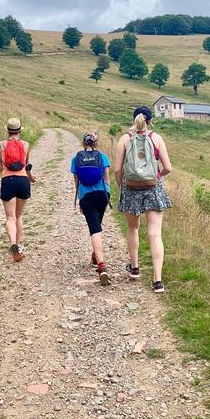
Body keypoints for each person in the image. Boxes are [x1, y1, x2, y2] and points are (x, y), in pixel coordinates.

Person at [113, 106, 172, 292]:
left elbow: (117, 169)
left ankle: (135, 268)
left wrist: (120, 185)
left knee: (133, 228)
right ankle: (157, 281)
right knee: (155, 234)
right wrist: (157, 176)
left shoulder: (124, 139)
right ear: (150, 120)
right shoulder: (156, 138)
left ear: (134, 119)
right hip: (153, 188)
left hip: (130, 188)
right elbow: (168, 167)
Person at [71, 132, 112, 285]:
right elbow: (107, 179)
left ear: (83, 144)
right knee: (97, 225)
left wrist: (80, 201)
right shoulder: (102, 156)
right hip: (102, 194)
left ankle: (101, 266)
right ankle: (96, 255)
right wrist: (107, 198)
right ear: (96, 144)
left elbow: (76, 183)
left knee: (94, 229)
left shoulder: (76, 159)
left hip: (86, 196)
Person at [0, 118, 35, 262]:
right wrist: (31, 177)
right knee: (19, 215)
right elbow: (26, 165)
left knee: (10, 217)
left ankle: (13, 243)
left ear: (8, 131)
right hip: (23, 181)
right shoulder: (26, 144)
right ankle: (18, 247)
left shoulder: (1, 145)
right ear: (19, 131)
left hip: (8, 181)